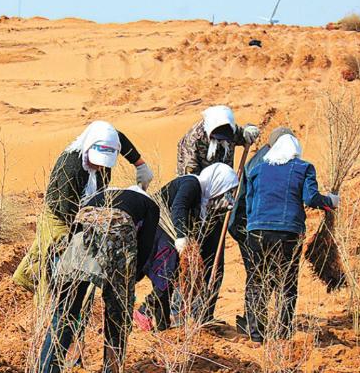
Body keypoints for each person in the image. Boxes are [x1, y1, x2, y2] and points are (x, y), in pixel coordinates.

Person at [39, 185, 159, 373]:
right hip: (118, 242)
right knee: (117, 317)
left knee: (65, 312)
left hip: (79, 242)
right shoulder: (149, 205)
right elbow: (146, 246)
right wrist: (132, 277)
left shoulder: (98, 196)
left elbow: (73, 229)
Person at [240, 134, 339, 342]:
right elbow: (310, 198)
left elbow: (249, 202)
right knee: (287, 281)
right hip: (288, 232)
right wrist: (329, 201)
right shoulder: (304, 168)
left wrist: (253, 224)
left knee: (257, 280)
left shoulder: (257, 169)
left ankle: (257, 334)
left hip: (257, 231)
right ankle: (283, 333)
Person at [12, 121, 123, 296]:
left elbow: (117, 136)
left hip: (84, 217)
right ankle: (49, 312)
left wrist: (139, 163)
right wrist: (84, 233)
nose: (101, 167)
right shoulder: (70, 166)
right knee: (53, 269)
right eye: (98, 162)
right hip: (60, 219)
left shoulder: (105, 155)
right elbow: (66, 208)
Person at [135, 163, 239, 330]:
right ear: (217, 183)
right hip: (158, 229)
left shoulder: (206, 203)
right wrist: (182, 237)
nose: (226, 196)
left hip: (171, 234)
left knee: (176, 273)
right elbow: (178, 207)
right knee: (166, 273)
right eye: (226, 191)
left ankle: (162, 319)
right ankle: (153, 319)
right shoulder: (191, 183)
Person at [230, 126, 293, 335]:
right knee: (260, 275)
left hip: (251, 225)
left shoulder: (268, 157)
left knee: (260, 275)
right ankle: (254, 324)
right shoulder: (266, 161)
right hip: (248, 225)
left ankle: (255, 323)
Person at [176, 105, 260, 175]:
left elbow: (244, 135)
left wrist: (249, 130)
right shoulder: (193, 140)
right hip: (200, 182)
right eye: (217, 137)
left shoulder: (229, 129)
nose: (220, 140)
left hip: (223, 178)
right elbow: (191, 175)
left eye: (224, 138)